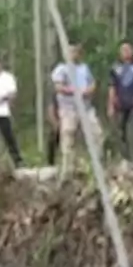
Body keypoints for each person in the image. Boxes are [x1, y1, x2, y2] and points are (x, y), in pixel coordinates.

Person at [52, 43, 100, 178]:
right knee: (68, 136)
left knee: (96, 134)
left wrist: (88, 91)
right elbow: (59, 87)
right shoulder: (61, 69)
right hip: (69, 109)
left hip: (86, 108)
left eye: (75, 51)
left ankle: (96, 164)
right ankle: (68, 168)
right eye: (70, 51)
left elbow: (92, 84)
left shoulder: (84, 68)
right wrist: (75, 92)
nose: (73, 54)